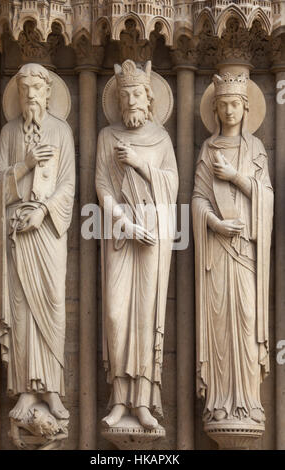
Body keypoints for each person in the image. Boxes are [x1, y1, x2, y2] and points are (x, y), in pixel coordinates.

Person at [96, 60, 178, 430]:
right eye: (124, 94)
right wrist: (125, 223)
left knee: (146, 314)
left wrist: (142, 163)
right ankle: (118, 396)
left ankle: (142, 401)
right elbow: (102, 187)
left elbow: (172, 186)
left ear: (148, 97)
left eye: (136, 94)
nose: (130, 100)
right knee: (116, 313)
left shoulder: (161, 139)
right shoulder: (106, 137)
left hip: (153, 236)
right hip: (119, 232)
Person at [0, 63, 75, 421]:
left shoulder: (61, 131)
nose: (29, 96)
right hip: (17, 232)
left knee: (53, 305)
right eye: (23, 89)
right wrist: (23, 166)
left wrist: (43, 211)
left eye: (36, 89)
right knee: (22, 308)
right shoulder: (10, 133)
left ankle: (53, 390)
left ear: (47, 93)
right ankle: (26, 390)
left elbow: (68, 184)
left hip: (47, 231)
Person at [192, 72, 273, 424]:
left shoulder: (255, 149)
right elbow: (196, 199)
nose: (229, 110)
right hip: (217, 249)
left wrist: (236, 178)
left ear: (246, 107)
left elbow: (267, 198)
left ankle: (249, 402)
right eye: (223, 103)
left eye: (235, 104)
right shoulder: (207, 150)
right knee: (220, 325)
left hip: (246, 252)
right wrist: (214, 223)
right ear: (214, 108)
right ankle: (221, 401)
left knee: (245, 319)